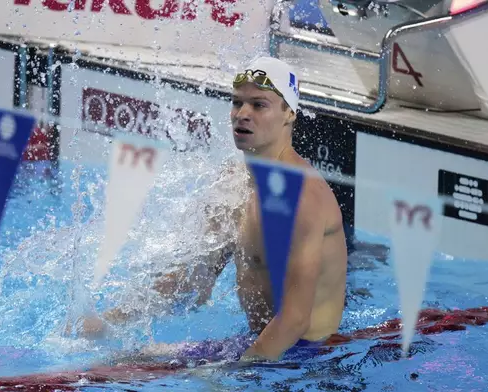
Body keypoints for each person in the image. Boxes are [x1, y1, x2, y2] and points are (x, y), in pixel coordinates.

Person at [74, 56, 348, 363]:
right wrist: (109, 320)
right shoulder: (233, 183)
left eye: (259, 105)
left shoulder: (301, 198)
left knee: (127, 368)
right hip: (259, 344)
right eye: (237, 103)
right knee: (123, 361)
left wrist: (230, 376)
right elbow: (193, 280)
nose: (242, 115)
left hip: (305, 358)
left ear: (289, 113)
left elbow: (295, 321)